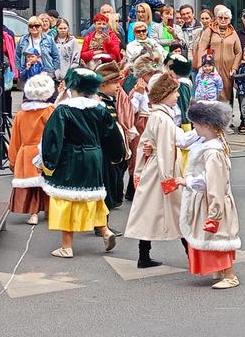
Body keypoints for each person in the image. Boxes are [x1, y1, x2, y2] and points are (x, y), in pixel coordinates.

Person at [40, 68, 126, 258]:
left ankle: (66, 246)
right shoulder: (100, 109)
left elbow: (53, 138)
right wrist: (116, 156)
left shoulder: (63, 110)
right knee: (93, 196)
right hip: (94, 156)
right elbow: (112, 135)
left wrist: (48, 162)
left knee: (66, 198)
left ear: (73, 86)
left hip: (70, 157)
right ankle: (105, 231)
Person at [125, 73, 199, 268]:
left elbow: (146, 144)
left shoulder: (157, 116)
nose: (177, 96)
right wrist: (169, 179)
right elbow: (170, 147)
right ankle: (192, 256)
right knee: (179, 211)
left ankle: (144, 255)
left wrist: (141, 169)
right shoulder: (163, 119)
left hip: (153, 170)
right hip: (163, 170)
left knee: (148, 211)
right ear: (164, 94)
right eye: (174, 92)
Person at [180, 100, 241, 289]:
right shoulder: (209, 142)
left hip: (212, 201)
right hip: (209, 199)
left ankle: (230, 274)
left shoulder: (212, 151)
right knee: (212, 237)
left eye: (196, 124)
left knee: (219, 236)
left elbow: (213, 182)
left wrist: (186, 182)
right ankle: (222, 270)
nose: (194, 128)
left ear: (207, 125)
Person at [95, 61, 135, 236]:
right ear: (103, 85)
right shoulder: (100, 103)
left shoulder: (109, 100)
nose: (119, 87)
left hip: (110, 153)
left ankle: (102, 223)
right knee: (104, 189)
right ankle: (101, 225)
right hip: (104, 153)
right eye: (115, 84)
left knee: (108, 187)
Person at [8, 74, 55, 225]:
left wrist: (13, 159)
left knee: (32, 186)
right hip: (45, 151)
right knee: (47, 183)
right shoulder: (50, 111)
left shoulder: (21, 114)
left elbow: (15, 139)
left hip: (26, 152)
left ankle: (33, 214)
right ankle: (49, 210)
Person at [124, 53, 164, 201]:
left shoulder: (155, 90)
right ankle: (134, 189)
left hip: (153, 125)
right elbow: (130, 111)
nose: (153, 76)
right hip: (141, 125)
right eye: (150, 74)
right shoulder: (136, 91)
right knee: (138, 157)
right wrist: (139, 96)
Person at [196, 7, 242, 103]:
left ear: (230, 20)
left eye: (226, 18)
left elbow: (239, 52)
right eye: (220, 17)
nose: (223, 20)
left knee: (226, 96)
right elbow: (202, 47)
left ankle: (226, 116)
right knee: (211, 95)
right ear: (216, 18)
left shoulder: (233, 33)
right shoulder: (210, 30)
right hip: (211, 70)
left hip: (227, 70)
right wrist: (203, 65)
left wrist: (234, 68)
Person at [15, 16, 59, 81]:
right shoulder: (23, 39)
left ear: (41, 27)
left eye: (37, 26)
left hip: (46, 73)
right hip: (27, 74)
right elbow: (17, 56)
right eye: (31, 26)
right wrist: (20, 70)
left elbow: (56, 56)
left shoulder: (49, 39)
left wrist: (53, 70)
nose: (34, 28)